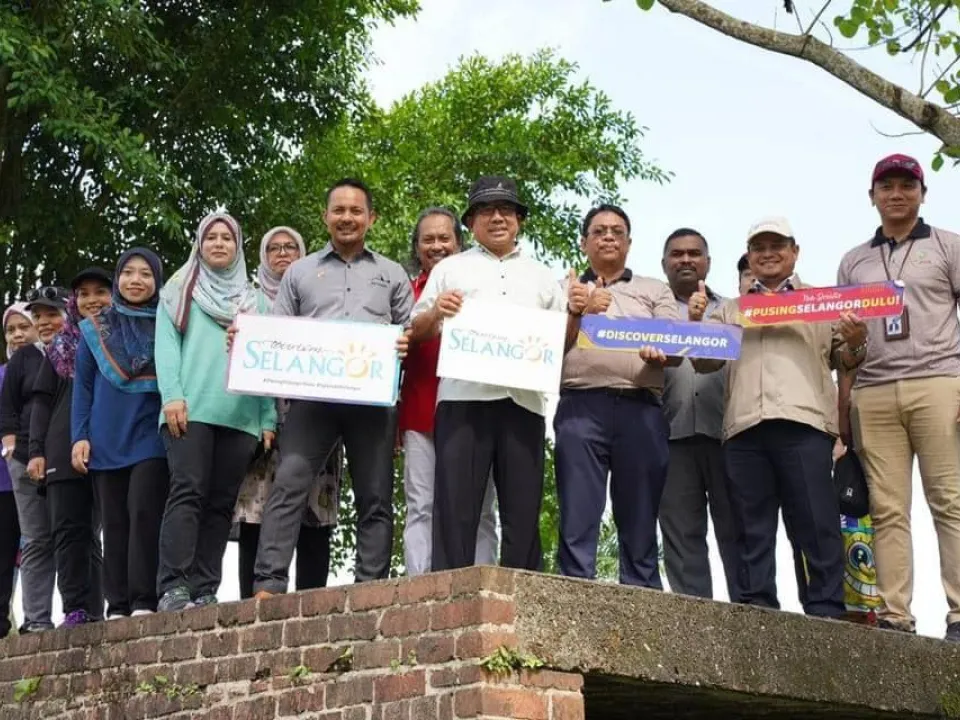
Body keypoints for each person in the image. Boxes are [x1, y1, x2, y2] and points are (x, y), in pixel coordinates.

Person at [689, 216, 867, 619]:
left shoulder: (823, 302)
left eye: (777, 246)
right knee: (750, 527)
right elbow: (703, 361)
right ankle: (757, 609)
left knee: (816, 522)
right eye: (759, 248)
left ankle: (826, 609)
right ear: (749, 256)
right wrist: (696, 324)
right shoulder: (730, 309)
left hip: (805, 426)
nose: (768, 254)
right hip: (745, 427)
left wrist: (858, 343)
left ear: (794, 251)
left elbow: (846, 359)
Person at [252, 179, 411, 596]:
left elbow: (410, 331)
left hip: (372, 402)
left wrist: (405, 342)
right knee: (288, 483)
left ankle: (370, 587)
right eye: (338, 210)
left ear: (371, 218)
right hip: (312, 402)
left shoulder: (392, 273)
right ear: (325, 217)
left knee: (375, 495)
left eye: (356, 211)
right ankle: (269, 582)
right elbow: (277, 334)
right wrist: (246, 340)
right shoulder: (300, 272)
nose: (347, 218)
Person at [409, 176, 564, 573]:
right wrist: (436, 311)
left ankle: (522, 597)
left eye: (506, 209)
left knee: (523, 512)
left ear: (519, 220)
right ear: (471, 222)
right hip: (463, 401)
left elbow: (562, 340)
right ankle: (447, 596)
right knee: (454, 511)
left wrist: (579, 312)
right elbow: (416, 329)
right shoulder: (449, 269)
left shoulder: (543, 276)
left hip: (524, 402)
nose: (497, 218)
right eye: (486, 210)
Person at [837, 153, 960, 641]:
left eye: (906, 185)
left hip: (940, 382)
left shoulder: (948, 246)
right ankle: (894, 616)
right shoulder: (854, 261)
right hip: (873, 390)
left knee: (950, 501)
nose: (896, 194)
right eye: (886, 186)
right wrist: (851, 353)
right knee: (887, 509)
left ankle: (959, 613)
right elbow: (847, 351)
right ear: (872, 197)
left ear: (923, 194)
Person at [155, 213, 277, 612]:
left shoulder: (257, 302)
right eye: (211, 237)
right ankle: (173, 587)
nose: (219, 243)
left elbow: (266, 361)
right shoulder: (179, 291)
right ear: (199, 244)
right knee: (187, 492)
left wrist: (267, 419)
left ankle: (205, 588)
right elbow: (166, 348)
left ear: (238, 247)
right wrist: (172, 396)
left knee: (222, 503)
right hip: (188, 410)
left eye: (227, 237)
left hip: (241, 415)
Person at [556, 204, 679, 587]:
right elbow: (543, 348)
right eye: (599, 231)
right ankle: (574, 592)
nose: (608, 236)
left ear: (629, 242)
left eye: (617, 231)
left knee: (640, 515)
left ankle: (641, 597)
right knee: (577, 512)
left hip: (640, 407)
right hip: (580, 407)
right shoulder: (563, 289)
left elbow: (678, 345)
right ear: (584, 242)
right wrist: (577, 311)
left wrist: (661, 350)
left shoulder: (654, 289)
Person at [232, 227, 342, 598]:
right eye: (274, 248)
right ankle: (253, 602)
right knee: (257, 512)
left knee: (316, 510)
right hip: (262, 422)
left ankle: (312, 605)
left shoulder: (323, 299)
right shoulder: (247, 303)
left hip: (319, 414)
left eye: (291, 247)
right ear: (263, 256)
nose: (283, 253)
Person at [399, 207, 498, 576]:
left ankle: (483, 581)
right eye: (428, 239)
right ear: (417, 247)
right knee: (420, 504)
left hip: (477, 411)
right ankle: (418, 584)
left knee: (480, 507)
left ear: (459, 243)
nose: (437, 245)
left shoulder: (484, 288)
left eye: (445, 238)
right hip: (420, 410)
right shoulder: (405, 292)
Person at [72, 249, 170, 618]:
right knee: (113, 522)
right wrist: (79, 436)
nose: (135, 280)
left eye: (145, 274)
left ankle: (144, 599)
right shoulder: (94, 329)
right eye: (128, 272)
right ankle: (118, 604)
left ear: (157, 281)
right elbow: (83, 388)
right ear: (118, 280)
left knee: (145, 512)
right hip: (105, 436)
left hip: (151, 433)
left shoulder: (169, 325)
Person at [28, 269, 111, 628]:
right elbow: (41, 402)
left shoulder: (125, 338)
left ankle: (104, 608)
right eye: (84, 293)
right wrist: (36, 450)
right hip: (61, 451)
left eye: (101, 292)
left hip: (110, 447)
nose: (93, 300)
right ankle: (76, 608)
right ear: (74, 301)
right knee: (68, 531)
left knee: (102, 533)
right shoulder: (60, 347)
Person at [659, 228, 738, 599]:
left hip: (728, 436)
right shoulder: (652, 312)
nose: (686, 260)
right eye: (677, 254)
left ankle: (751, 615)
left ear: (708, 262)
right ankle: (693, 618)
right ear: (664, 263)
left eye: (694, 253)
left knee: (738, 531)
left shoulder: (732, 311)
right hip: (670, 437)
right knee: (680, 536)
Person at [0, 286, 66, 632]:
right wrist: (12, 449)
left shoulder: (75, 353)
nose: (44, 322)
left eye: (51, 314)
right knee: (36, 539)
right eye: (38, 316)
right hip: (24, 459)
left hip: (67, 458)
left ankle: (79, 611)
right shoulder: (24, 359)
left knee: (73, 536)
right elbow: (8, 407)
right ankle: (37, 618)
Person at [0, 304, 37, 636]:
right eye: (11, 330)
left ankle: (37, 616)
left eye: (24, 326)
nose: (17, 335)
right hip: (3, 481)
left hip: (37, 473)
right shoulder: (1, 375)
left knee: (36, 547)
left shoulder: (50, 369)